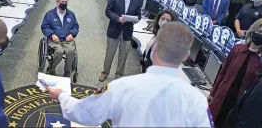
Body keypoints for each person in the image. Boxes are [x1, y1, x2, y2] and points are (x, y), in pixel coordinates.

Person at [45, 22, 213, 127]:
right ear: (185, 56)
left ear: (153, 49)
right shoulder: (197, 100)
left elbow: (85, 113)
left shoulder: (123, 87)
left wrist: (61, 96)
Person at [208, 18, 262, 128]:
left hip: (238, 105)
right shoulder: (237, 49)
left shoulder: (260, 60)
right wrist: (212, 93)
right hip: (221, 97)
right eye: (260, 32)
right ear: (253, 31)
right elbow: (223, 73)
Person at [99, 0, 143, 82]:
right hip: (115, 28)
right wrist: (118, 18)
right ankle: (105, 72)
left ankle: (119, 75)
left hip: (127, 31)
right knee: (110, 53)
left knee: (123, 56)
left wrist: (135, 19)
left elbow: (138, 15)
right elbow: (108, 11)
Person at [41, 0, 79, 77]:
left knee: (71, 51)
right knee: (59, 51)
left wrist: (72, 34)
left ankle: (67, 70)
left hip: (67, 40)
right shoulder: (50, 14)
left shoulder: (71, 15)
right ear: (57, 2)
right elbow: (44, 27)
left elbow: (75, 26)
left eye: (66, 2)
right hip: (54, 40)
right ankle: (52, 68)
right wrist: (52, 35)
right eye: (62, 2)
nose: (64, 3)